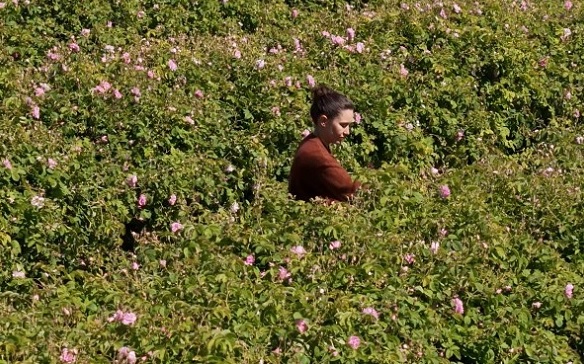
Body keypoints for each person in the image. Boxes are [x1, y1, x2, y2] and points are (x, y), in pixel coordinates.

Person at [288, 84, 361, 203]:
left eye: (349, 125)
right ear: (323, 121)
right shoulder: (316, 154)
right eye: (343, 125)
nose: (347, 132)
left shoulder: (312, 143)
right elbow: (352, 191)